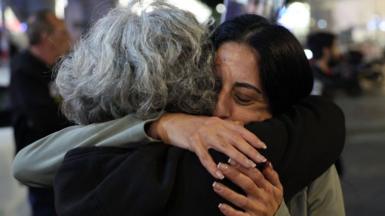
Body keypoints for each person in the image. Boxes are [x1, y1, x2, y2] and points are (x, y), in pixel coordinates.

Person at [14, 2, 345, 215]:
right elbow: (28, 163)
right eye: (213, 85)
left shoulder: (309, 160)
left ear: (279, 105)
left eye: (244, 98)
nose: (218, 107)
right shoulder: (173, 141)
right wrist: (161, 125)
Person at [9, 10, 72, 216]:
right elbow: (44, 119)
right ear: (47, 37)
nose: (68, 37)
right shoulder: (23, 69)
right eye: (62, 32)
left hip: (61, 154)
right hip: (40, 157)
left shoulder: (56, 63)